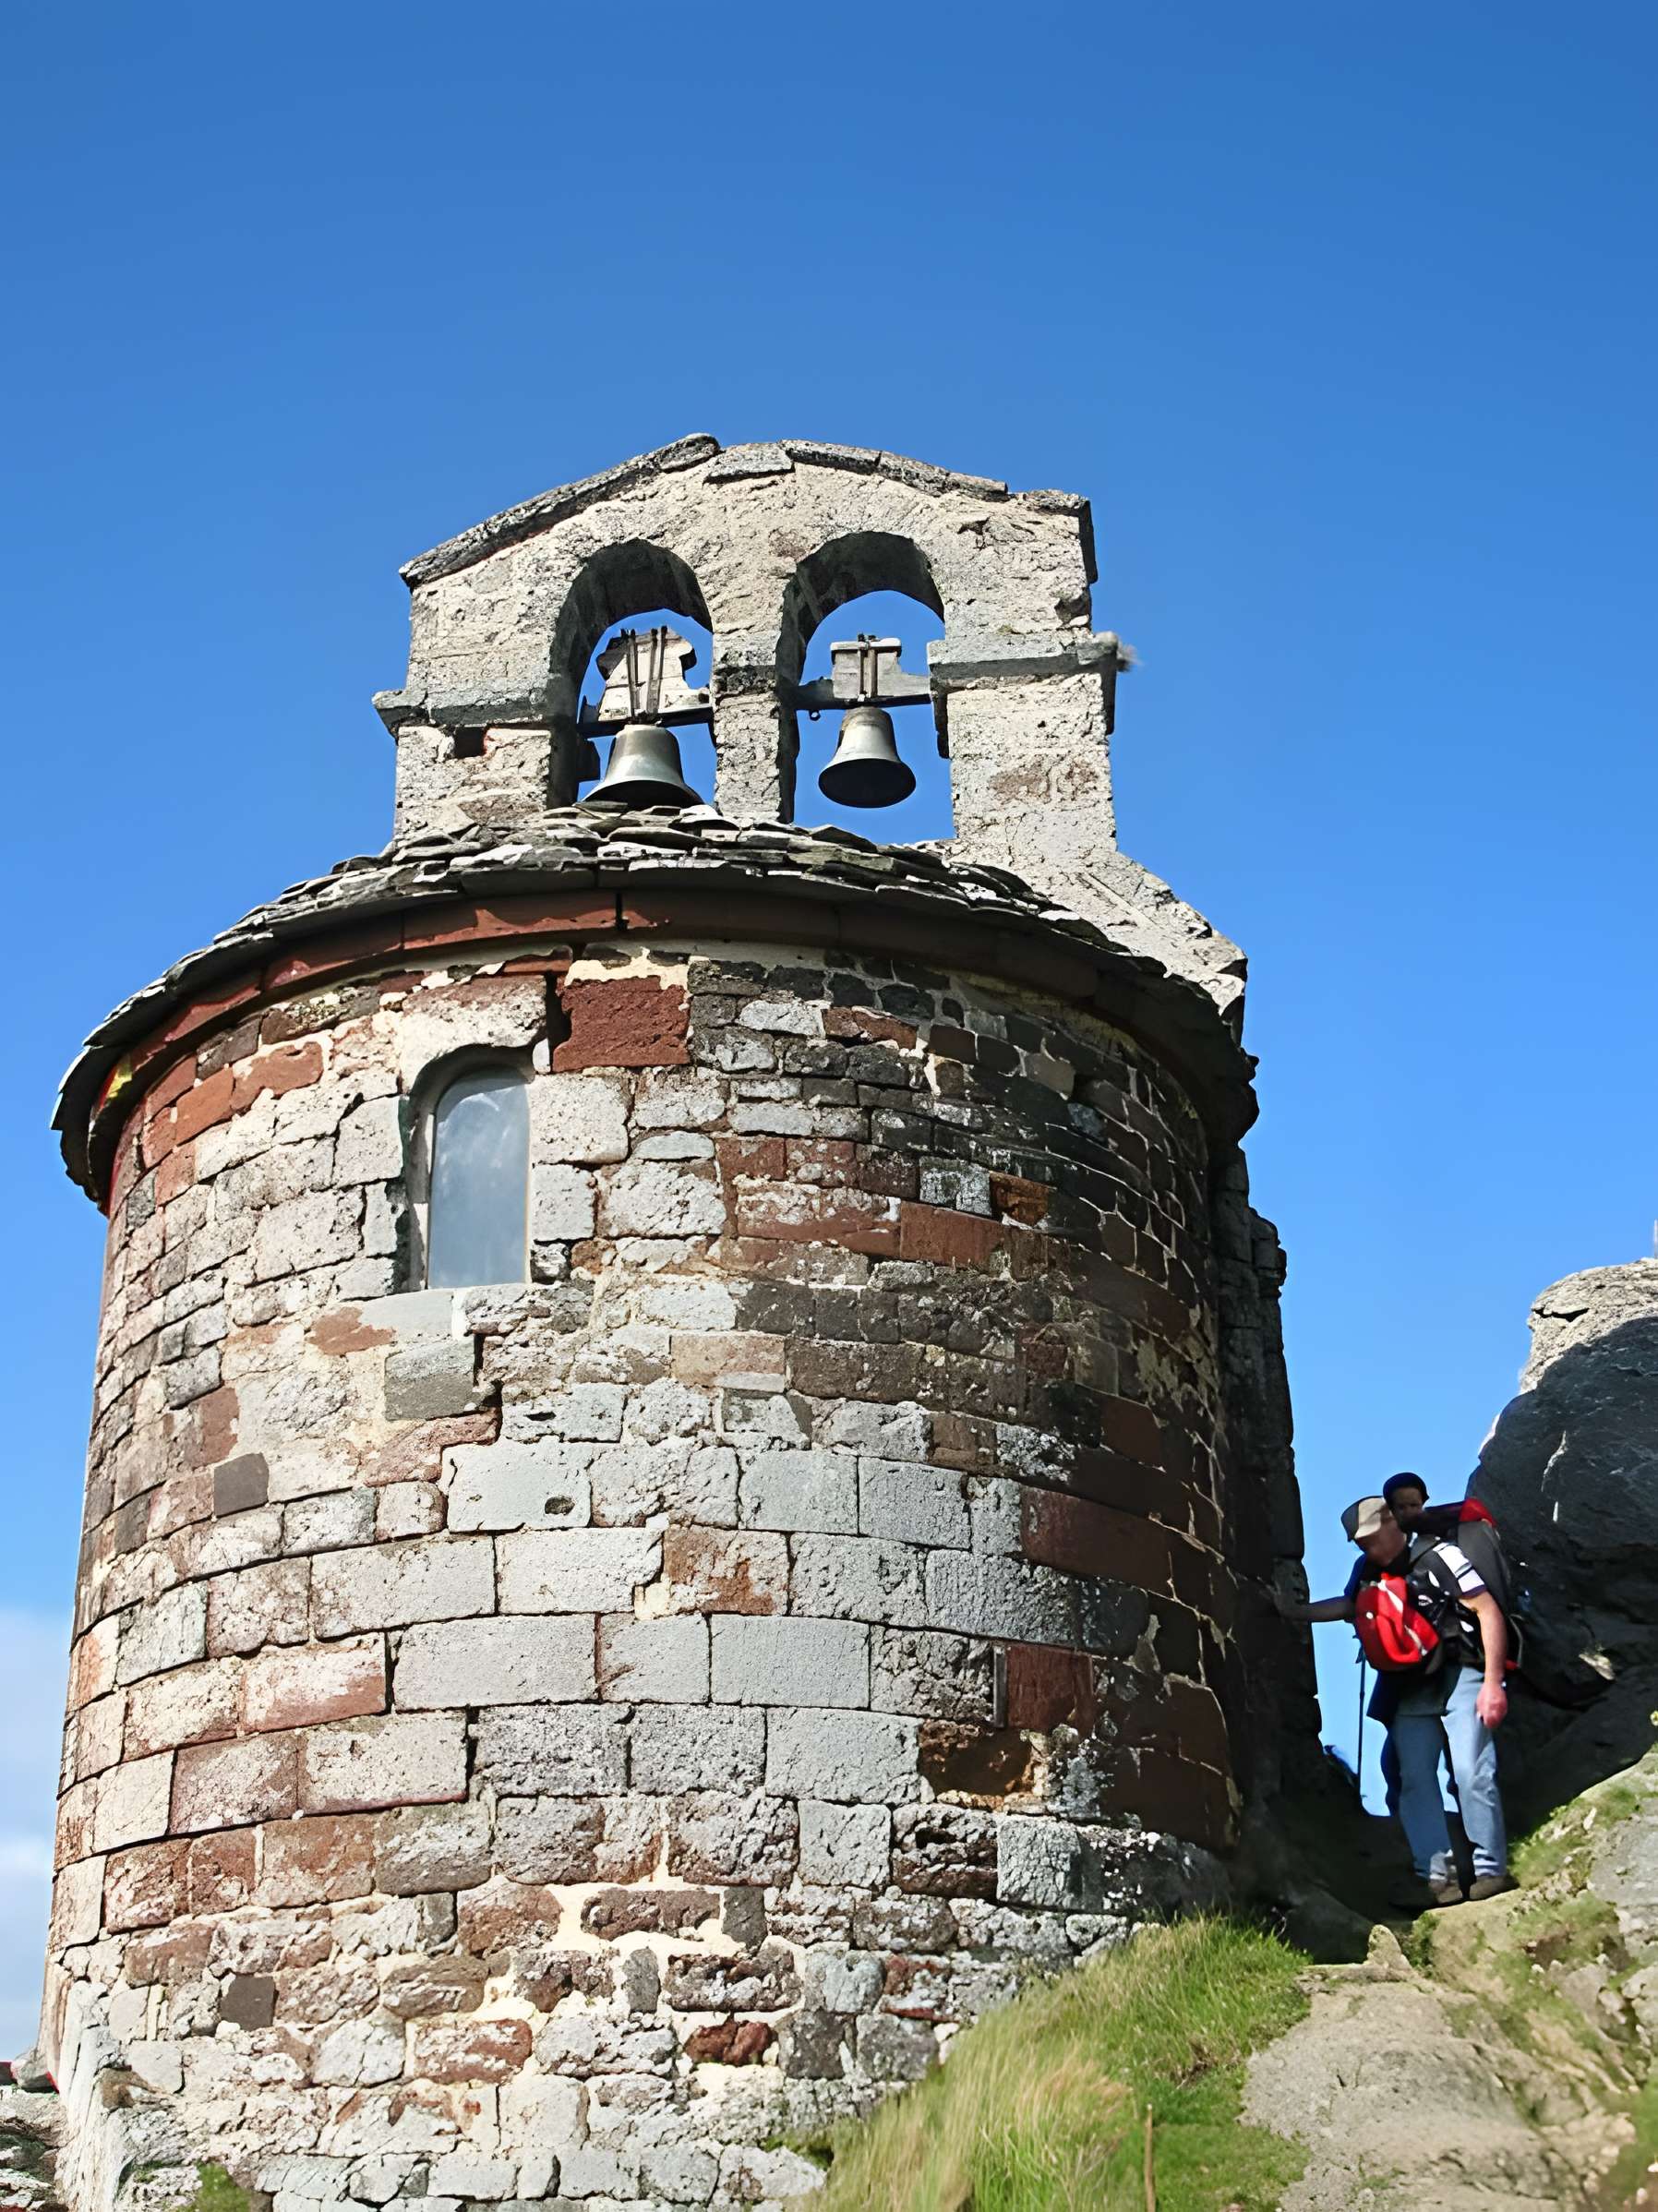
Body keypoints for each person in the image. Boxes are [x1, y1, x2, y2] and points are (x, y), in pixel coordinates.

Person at [1278, 1494, 1512, 1906]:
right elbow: (1348, 1607)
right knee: (1415, 1780)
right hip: (1409, 1687)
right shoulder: (1367, 1571)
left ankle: (1491, 1870)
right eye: (1361, 1543)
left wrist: (1493, 1682)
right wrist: (1292, 1612)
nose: (1369, 1548)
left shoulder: (1441, 1556)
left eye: (1372, 1537)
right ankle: (1438, 1879)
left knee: (1472, 1771)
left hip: (1461, 1673)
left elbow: (1486, 1611)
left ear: (1391, 1522)